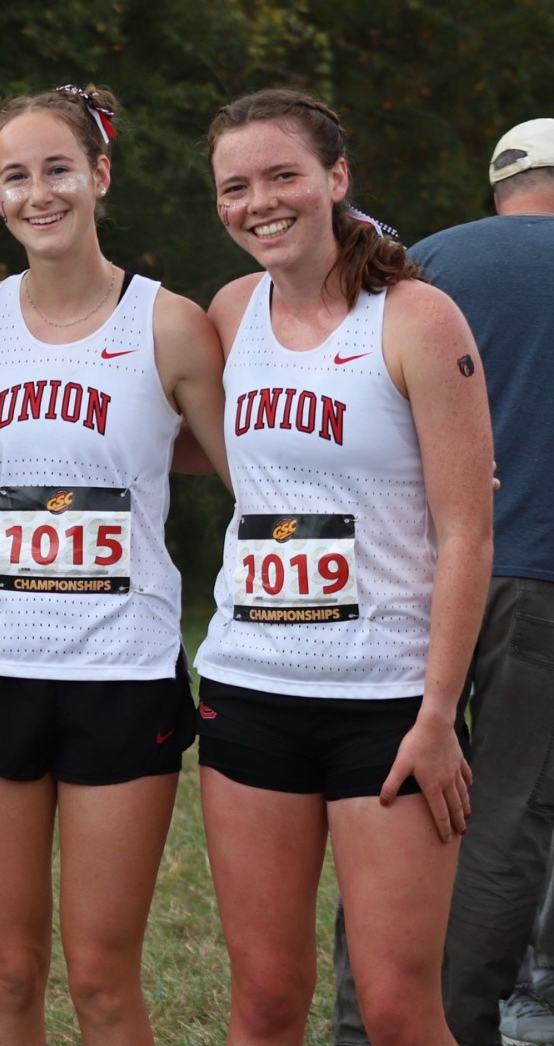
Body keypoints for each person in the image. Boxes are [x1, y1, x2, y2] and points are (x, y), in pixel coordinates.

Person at [196, 87, 491, 1044]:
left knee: (402, 1011)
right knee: (267, 1002)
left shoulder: (417, 319)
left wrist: (439, 713)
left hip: (388, 707)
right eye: (235, 186)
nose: (259, 202)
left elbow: (467, 533)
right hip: (248, 689)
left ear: (336, 178)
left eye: (283, 175)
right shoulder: (233, 309)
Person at [0, 85, 228, 1045]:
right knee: (8, 970)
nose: (39, 193)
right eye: (15, 177)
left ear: (100, 175)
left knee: (103, 977)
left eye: (57, 169)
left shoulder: (172, 323)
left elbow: (259, 473)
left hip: (122, 672)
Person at [407, 116, 554, 1046]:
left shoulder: (428, 261)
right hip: (539, 581)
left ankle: (370, 1020)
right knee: (506, 816)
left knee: (403, 800)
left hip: (418, 577)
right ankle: (455, 1028)